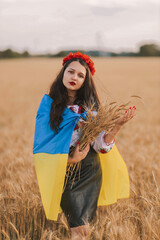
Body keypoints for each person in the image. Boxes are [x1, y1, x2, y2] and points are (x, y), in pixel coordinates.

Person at [33, 52, 136, 240]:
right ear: (62, 73)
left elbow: (101, 147)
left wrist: (117, 126)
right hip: (64, 171)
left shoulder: (91, 109)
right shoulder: (49, 106)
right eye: (71, 72)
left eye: (81, 75)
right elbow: (42, 145)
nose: (74, 77)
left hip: (89, 171)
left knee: (83, 230)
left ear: (85, 81)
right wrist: (71, 159)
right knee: (77, 228)